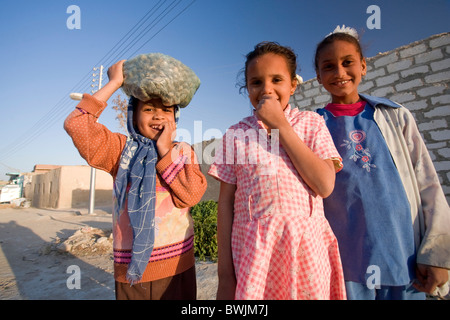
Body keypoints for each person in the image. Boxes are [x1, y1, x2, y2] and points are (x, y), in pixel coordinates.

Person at [314, 25, 450, 300]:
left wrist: (437, 252)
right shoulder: (313, 125)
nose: (339, 73)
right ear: (318, 76)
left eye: (348, 62)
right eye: (329, 66)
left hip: (403, 258)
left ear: (363, 66)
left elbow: (427, 182)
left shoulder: (394, 116)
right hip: (343, 263)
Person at [208, 41, 347, 300]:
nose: (266, 89)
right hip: (255, 255)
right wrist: (225, 276)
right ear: (247, 88)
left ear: (293, 85)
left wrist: (279, 124)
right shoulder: (236, 135)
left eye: (277, 80)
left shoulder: (311, 124)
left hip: (305, 252)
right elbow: (225, 203)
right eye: (256, 82)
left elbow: (325, 185)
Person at [64, 53, 207, 300]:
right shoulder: (120, 151)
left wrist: (164, 151)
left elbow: (191, 195)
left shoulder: (182, 152)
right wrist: (114, 83)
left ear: (176, 118)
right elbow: (77, 124)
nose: (158, 116)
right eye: (149, 109)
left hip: (176, 267)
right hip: (132, 272)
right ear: (133, 114)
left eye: (166, 111)